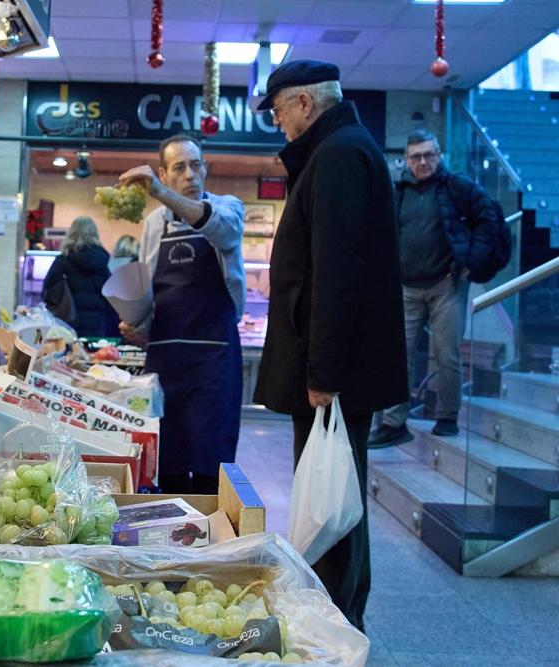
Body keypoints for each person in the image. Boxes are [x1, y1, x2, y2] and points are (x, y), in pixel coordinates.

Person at [251, 60, 408, 631]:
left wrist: (324, 372)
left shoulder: (339, 156)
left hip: (333, 372)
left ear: (304, 104)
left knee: (334, 496)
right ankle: (339, 614)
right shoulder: (341, 149)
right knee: (336, 492)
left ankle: (338, 621)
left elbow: (337, 273)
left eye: (278, 110)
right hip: (336, 366)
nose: (277, 123)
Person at [118, 135, 245, 495]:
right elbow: (148, 282)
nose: (190, 174)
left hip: (214, 360)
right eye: (179, 168)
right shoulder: (154, 223)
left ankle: (209, 543)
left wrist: (160, 192)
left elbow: (222, 230)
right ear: (164, 173)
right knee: (167, 463)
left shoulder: (228, 208)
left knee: (210, 466)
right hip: (166, 360)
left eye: (197, 164)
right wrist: (137, 321)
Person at [369, 129, 502, 447]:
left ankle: (447, 417)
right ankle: (393, 422)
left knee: (447, 355)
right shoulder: (397, 191)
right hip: (405, 287)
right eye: (416, 156)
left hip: (447, 285)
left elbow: (489, 219)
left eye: (429, 155)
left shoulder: (459, 187)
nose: (423, 161)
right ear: (407, 159)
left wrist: (470, 261)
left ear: (439, 154)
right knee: (398, 357)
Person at [42, 216, 119, 337]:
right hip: (97, 326)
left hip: (67, 325)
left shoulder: (63, 261)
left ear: (71, 233)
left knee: (70, 355)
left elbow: (48, 293)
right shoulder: (103, 263)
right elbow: (112, 298)